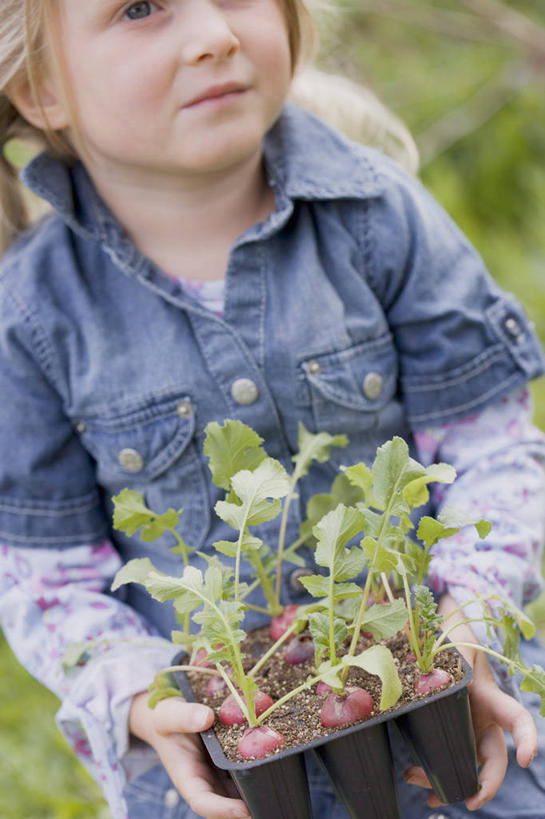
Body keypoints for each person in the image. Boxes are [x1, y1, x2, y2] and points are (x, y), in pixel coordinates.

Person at [0, 2, 544, 818]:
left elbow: (490, 446)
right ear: (42, 87)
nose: (215, 34)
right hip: (229, 778)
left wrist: (467, 618)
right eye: (141, 7)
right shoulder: (32, 315)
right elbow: (45, 572)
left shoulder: (375, 216)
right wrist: (142, 693)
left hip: (447, 725)